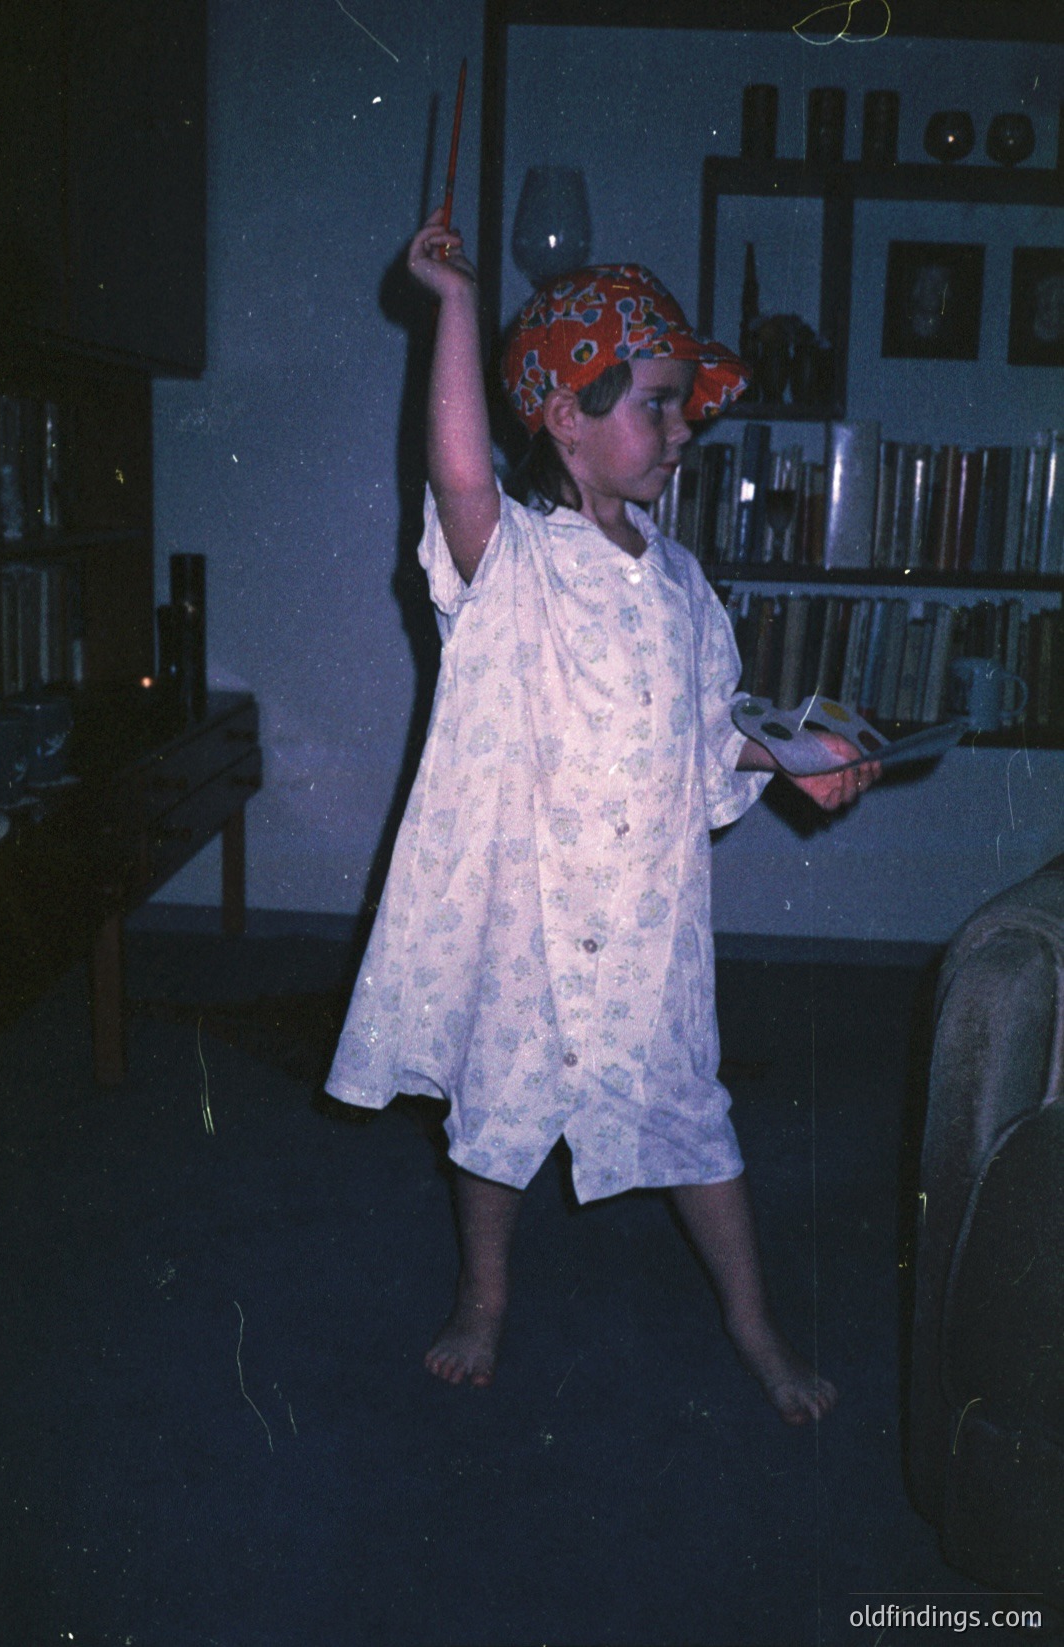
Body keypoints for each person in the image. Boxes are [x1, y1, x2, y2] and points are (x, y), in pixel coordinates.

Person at [325, 207, 878, 1423]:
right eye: (656, 405)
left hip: (649, 926)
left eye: (686, 404)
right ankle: (485, 1295)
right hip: (532, 915)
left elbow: (708, 734)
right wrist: (456, 304)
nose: (683, 429)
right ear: (565, 420)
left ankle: (751, 1318)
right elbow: (459, 471)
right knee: (497, 1116)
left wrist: (797, 757)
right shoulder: (511, 562)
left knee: (693, 1113)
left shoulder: (684, 583)